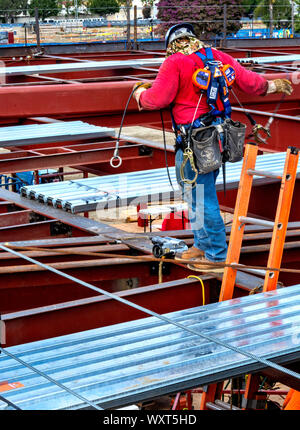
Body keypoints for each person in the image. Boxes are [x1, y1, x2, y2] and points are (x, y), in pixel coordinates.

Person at [133, 23, 293, 273]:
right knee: (196, 195)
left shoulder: (174, 61)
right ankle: (201, 244)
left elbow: (158, 99)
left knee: (202, 198)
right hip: (217, 139)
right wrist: (272, 86)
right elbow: (251, 83)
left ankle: (217, 254)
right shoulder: (218, 56)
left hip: (193, 142)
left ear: (171, 43)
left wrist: (139, 94)